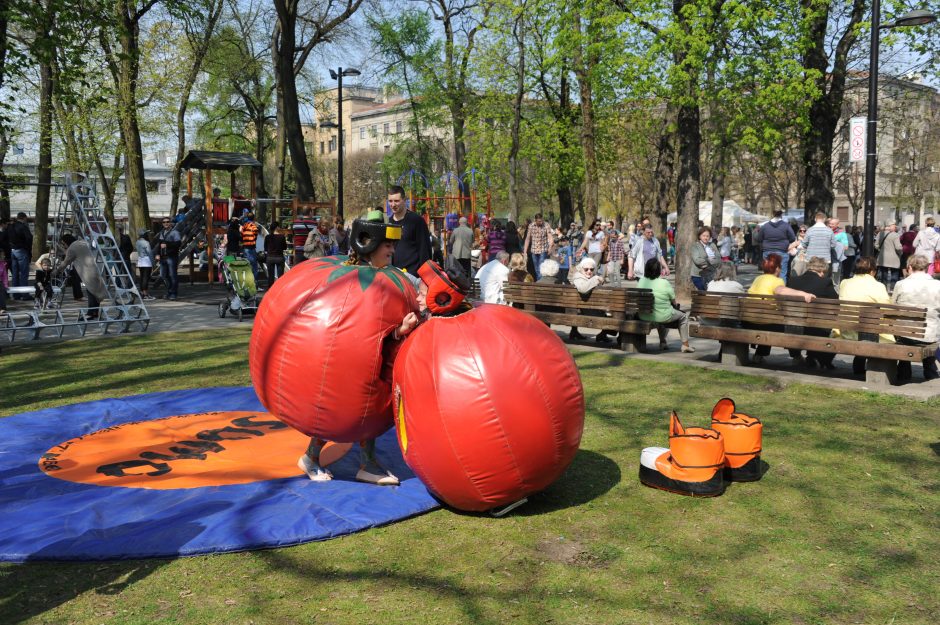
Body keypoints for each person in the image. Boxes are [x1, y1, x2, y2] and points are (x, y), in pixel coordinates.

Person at [298, 211, 419, 485]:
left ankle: (367, 463)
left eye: (392, 245)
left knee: (371, 409)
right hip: (350, 363)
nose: (392, 250)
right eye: (387, 245)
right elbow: (364, 331)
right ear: (370, 244)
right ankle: (311, 457)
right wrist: (399, 330)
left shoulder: (387, 278)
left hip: (375, 364)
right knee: (344, 410)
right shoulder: (352, 282)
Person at [747, 253, 816, 363]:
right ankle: (796, 356)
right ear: (777, 268)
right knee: (792, 326)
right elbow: (781, 291)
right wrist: (804, 294)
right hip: (767, 322)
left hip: (750, 320)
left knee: (770, 319)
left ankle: (759, 355)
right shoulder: (777, 281)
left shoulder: (758, 278)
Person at [839, 256, 895, 376]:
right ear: (872, 271)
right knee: (880, 326)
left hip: (847, 331)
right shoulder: (878, 286)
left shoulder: (844, 283)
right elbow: (887, 309)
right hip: (872, 333)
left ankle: (859, 363)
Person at [891, 255, 940, 380]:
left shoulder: (901, 284)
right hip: (930, 335)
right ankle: (930, 372)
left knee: (904, 337)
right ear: (927, 268)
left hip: (904, 334)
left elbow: (893, 307)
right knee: (929, 335)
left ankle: (904, 373)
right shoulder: (937, 285)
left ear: (910, 268)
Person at [788, 256, 839, 368]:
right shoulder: (825, 282)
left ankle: (800, 356)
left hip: (792, 326)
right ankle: (814, 357)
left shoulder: (793, 280)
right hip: (816, 328)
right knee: (824, 325)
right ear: (822, 270)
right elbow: (836, 303)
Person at [638, 258, 694, 353]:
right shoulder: (664, 283)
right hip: (663, 315)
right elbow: (673, 301)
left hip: (644, 315)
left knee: (659, 315)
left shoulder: (641, 281)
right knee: (683, 316)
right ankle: (685, 345)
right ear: (659, 270)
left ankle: (663, 342)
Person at [53, 235, 111, 318]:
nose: (64, 246)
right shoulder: (82, 242)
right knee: (95, 290)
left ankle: (91, 313)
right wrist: (62, 249)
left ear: (66, 242)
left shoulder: (72, 247)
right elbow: (71, 253)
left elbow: (66, 262)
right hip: (99, 266)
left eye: (63, 244)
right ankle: (95, 311)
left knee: (91, 291)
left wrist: (56, 271)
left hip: (89, 270)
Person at [569, 257, 615, 343]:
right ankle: (603, 335)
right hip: (586, 310)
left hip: (585, 309)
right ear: (581, 269)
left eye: (591, 269)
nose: (589, 271)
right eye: (586, 269)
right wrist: (596, 279)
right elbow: (583, 289)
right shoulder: (578, 277)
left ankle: (574, 332)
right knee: (615, 316)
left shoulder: (589, 277)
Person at [387, 185, 432, 275]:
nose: (393, 205)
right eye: (390, 201)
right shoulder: (388, 222)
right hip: (393, 276)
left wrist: (425, 277)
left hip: (412, 276)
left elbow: (425, 251)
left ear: (404, 200)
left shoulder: (416, 220)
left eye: (396, 201)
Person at [755, 209, 795, 280]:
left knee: (768, 273)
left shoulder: (765, 226)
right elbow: (792, 238)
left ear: (773, 214)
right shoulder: (786, 226)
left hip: (767, 251)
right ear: (781, 215)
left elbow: (759, 239)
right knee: (782, 274)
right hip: (782, 251)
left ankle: (768, 289)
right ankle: (780, 290)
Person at [800, 212, 835, 277]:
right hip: (825, 258)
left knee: (811, 278)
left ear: (815, 219)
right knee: (823, 278)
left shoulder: (810, 230)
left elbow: (804, 244)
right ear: (824, 219)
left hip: (811, 258)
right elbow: (833, 245)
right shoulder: (829, 231)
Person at [154, 217, 181, 300]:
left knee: (172, 275)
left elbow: (178, 244)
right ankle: (169, 291)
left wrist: (167, 244)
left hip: (172, 257)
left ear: (170, 223)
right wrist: (157, 253)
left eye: (167, 222)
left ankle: (173, 293)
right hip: (163, 257)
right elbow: (160, 244)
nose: (165, 223)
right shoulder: (162, 232)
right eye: (164, 222)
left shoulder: (175, 233)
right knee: (163, 275)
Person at [523, 213, 554, 281]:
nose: (541, 222)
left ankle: (540, 284)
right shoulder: (531, 226)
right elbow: (527, 239)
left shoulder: (546, 225)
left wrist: (550, 247)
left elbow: (550, 237)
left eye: (541, 220)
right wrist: (525, 251)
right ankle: (538, 282)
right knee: (536, 269)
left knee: (541, 268)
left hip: (543, 250)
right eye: (539, 221)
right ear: (535, 220)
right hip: (534, 250)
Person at [9, 212, 32, 300]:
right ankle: (25, 294)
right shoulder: (23, 226)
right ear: (24, 218)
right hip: (22, 251)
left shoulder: (11, 226)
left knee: (15, 274)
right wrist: (28, 249)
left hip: (13, 251)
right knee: (24, 273)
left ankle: (15, 294)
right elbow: (29, 238)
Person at [690, 226, 721, 290]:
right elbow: (697, 260)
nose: (706, 238)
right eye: (703, 235)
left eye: (707, 236)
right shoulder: (695, 246)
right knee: (703, 292)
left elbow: (718, 258)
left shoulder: (712, 245)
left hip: (712, 274)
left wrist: (706, 263)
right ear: (699, 236)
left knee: (712, 292)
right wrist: (710, 260)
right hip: (698, 275)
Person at [875, 222, 902, 292]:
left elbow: (876, 245)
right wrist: (900, 253)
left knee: (883, 274)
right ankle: (892, 289)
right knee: (894, 274)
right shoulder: (895, 235)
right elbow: (898, 247)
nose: (895, 227)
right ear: (890, 226)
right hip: (894, 257)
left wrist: (880, 250)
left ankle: (883, 289)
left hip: (882, 257)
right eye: (894, 225)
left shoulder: (879, 234)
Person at [135, 229, 156, 300]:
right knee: (146, 278)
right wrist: (153, 263)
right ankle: (145, 293)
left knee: (142, 277)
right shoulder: (146, 243)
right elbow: (150, 253)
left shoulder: (137, 242)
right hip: (146, 260)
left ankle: (142, 292)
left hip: (140, 260)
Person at [240, 212, 260, 281]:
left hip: (245, 247)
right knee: (254, 266)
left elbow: (242, 235)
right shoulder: (253, 226)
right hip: (251, 247)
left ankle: (248, 282)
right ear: (253, 218)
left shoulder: (244, 226)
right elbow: (256, 234)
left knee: (248, 265)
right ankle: (255, 283)